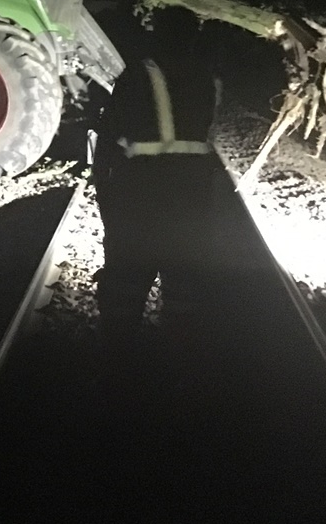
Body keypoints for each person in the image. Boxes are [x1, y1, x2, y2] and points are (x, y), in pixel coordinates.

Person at [90, 31, 235, 353]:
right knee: (184, 284)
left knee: (126, 284)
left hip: (140, 192)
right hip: (191, 195)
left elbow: (108, 138)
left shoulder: (138, 74)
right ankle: (179, 363)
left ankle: (117, 359)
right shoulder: (207, 78)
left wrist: (105, 196)